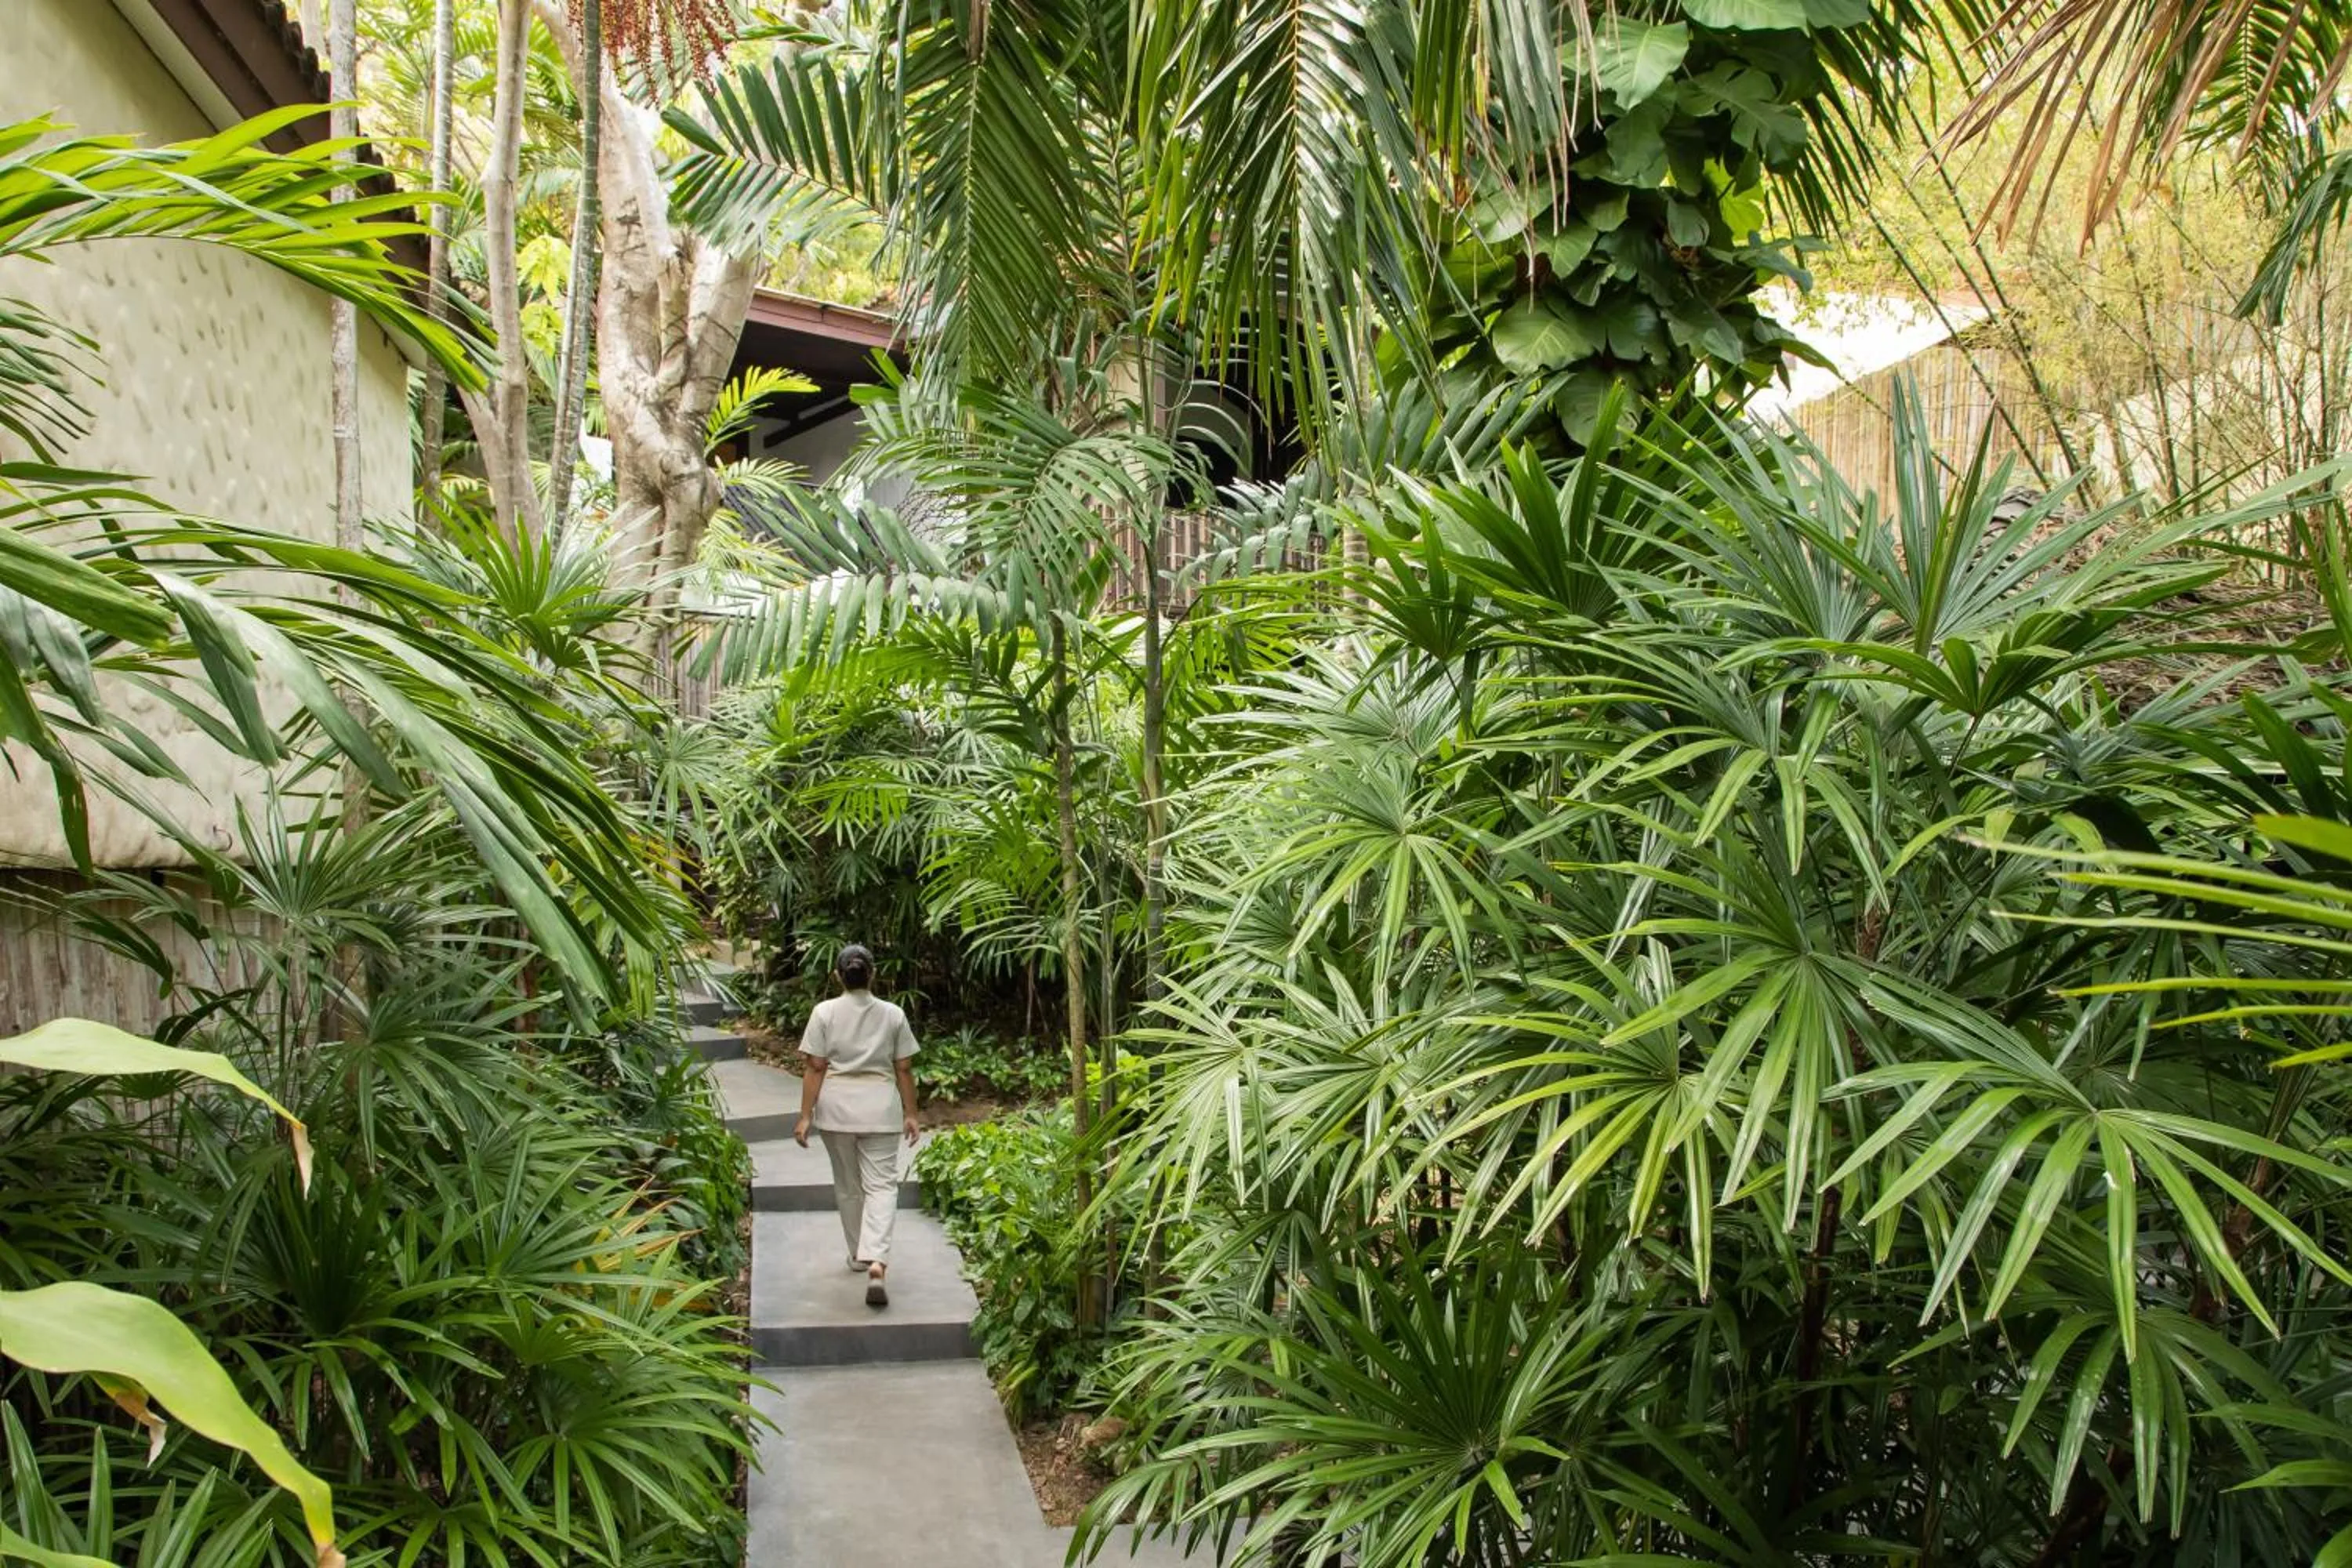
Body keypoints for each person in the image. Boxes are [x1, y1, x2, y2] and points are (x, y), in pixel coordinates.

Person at [792, 944, 920, 1308]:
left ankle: (857, 1255)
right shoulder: (893, 1014)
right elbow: (904, 1069)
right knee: (881, 1187)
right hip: (880, 1110)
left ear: (838, 976)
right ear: (873, 974)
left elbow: (815, 1066)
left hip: (836, 1112)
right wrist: (911, 1113)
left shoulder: (824, 1012)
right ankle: (877, 1260)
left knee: (848, 1186)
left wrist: (805, 1115)